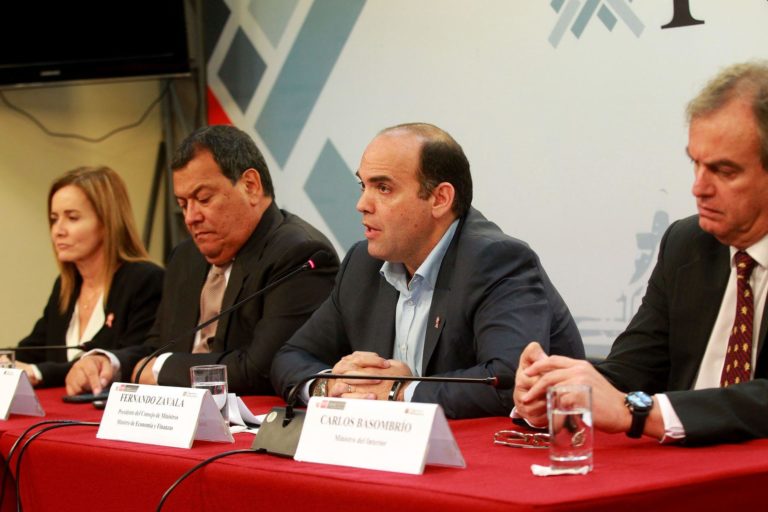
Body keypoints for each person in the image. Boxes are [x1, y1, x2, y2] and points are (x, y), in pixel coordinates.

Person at [514, 61, 768, 445]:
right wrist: (558, 391)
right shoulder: (687, 243)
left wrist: (640, 413)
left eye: (724, 171)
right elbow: (632, 368)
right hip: (682, 465)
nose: (699, 188)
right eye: (696, 163)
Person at [271, 122, 584, 419]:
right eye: (363, 185)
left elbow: (508, 381)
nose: (362, 204)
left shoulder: (496, 260)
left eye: (383, 188)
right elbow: (291, 356)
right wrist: (331, 387)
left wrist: (399, 392)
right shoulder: (362, 264)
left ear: (440, 199)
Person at [65, 125, 339, 396]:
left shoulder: (299, 254)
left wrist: (162, 369)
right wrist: (110, 363)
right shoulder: (185, 257)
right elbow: (157, 349)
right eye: (183, 204)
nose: (190, 217)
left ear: (251, 186)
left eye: (204, 199)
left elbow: (263, 370)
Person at [15, 166, 163, 388]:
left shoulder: (145, 281)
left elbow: (132, 360)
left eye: (72, 218)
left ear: (107, 222)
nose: (58, 230)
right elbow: (29, 352)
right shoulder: (65, 286)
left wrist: (39, 373)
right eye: (54, 219)